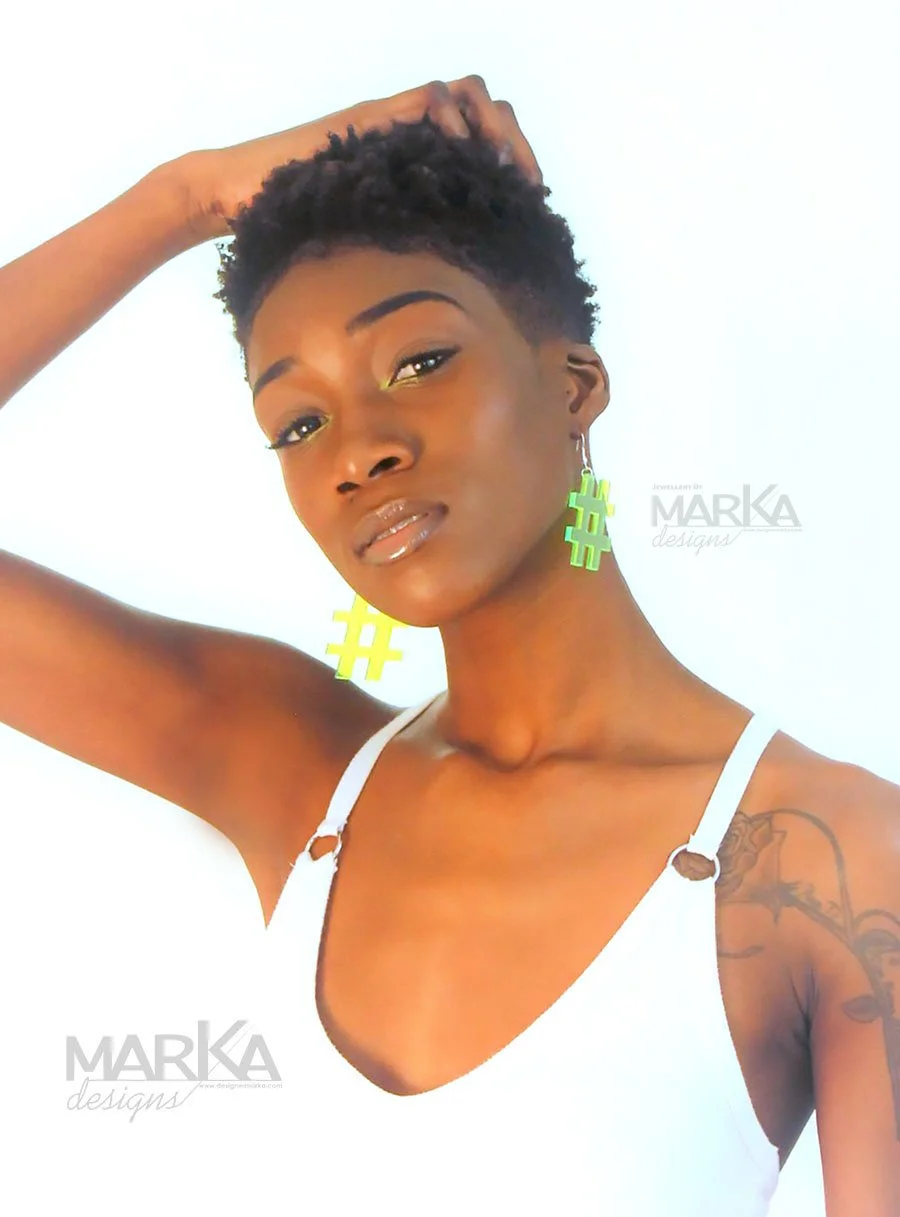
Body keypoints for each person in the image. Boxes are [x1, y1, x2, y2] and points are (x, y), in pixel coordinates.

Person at [0, 75, 897, 1216]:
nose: (357, 451)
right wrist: (188, 197)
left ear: (574, 384)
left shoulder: (832, 857)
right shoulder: (296, 770)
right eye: (298, 422)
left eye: (419, 362)